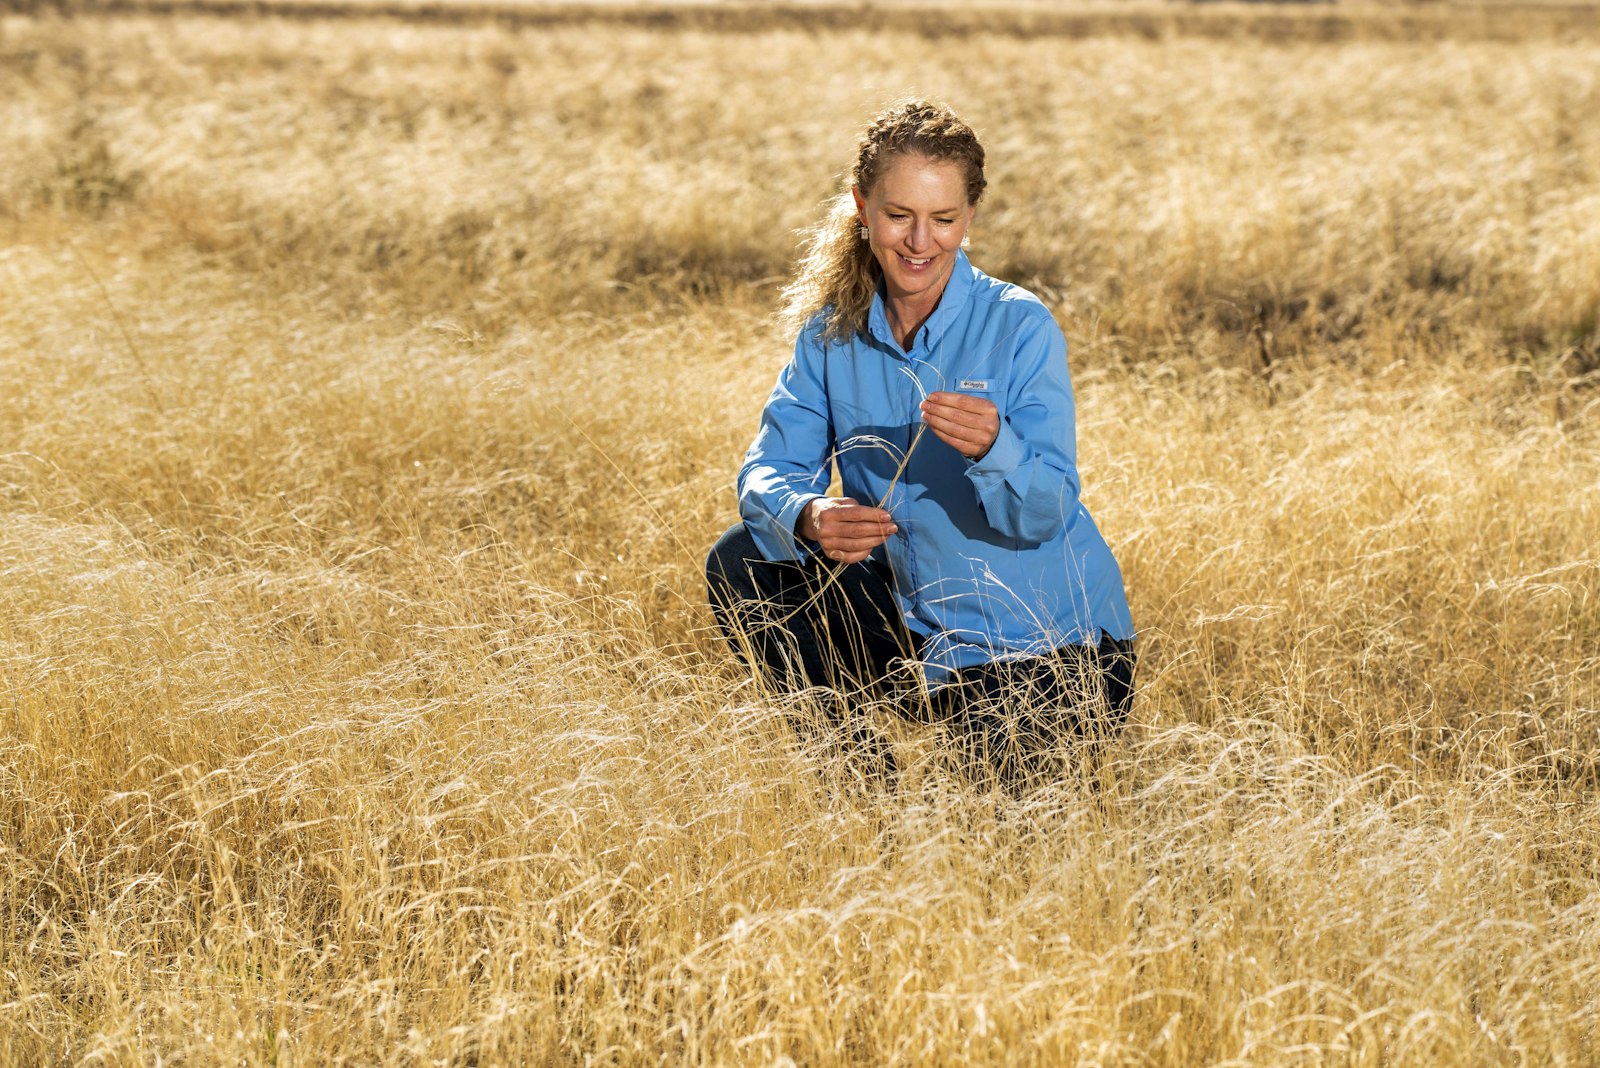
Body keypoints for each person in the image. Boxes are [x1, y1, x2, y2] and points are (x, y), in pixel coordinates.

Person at [705, 99, 1135, 788]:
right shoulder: (829, 335)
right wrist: (811, 517)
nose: (919, 241)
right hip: (916, 631)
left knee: (984, 844)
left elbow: (1048, 510)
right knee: (742, 560)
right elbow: (767, 474)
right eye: (899, 214)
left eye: (943, 219)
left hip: (1047, 650)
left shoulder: (1020, 327)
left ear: (969, 218)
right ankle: (861, 789)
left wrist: (997, 448)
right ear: (863, 208)